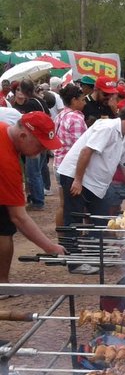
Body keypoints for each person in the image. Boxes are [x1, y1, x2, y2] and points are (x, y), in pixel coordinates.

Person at [57, 102, 125, 266]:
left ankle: (96, 254)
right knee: (74, 218)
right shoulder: (108, 128)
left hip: (96, 184)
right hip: (76, 176)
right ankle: (74, 262)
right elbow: (86, 151)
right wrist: (77, 180)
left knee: (101, 218)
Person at [0, 112, 66, 287]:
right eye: (41, 145)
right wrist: (50, 247)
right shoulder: (6, 163)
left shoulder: (4, 129)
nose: (43, 150)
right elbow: (19, 217)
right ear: (23, 135)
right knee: (4, 228)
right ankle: (2, 284)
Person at [12, 79, 51, 211]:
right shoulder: (41, 100)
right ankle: (38, 199)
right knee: (37, 172)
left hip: (35, 142)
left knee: (33, 173)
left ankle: (38, 201)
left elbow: (26, 124)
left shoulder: (30, 103)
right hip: (44, 140)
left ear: (23, 90)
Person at [53, 84, 87, 230]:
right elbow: (81, 147)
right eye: (82, 99)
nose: (85, 103)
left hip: (58, 163)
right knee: (75, 208)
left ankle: (64, 239)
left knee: (63, 205)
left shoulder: (60, 115)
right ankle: (74, 239)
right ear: (74, 100)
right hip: (72, 168)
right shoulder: (75, 118)